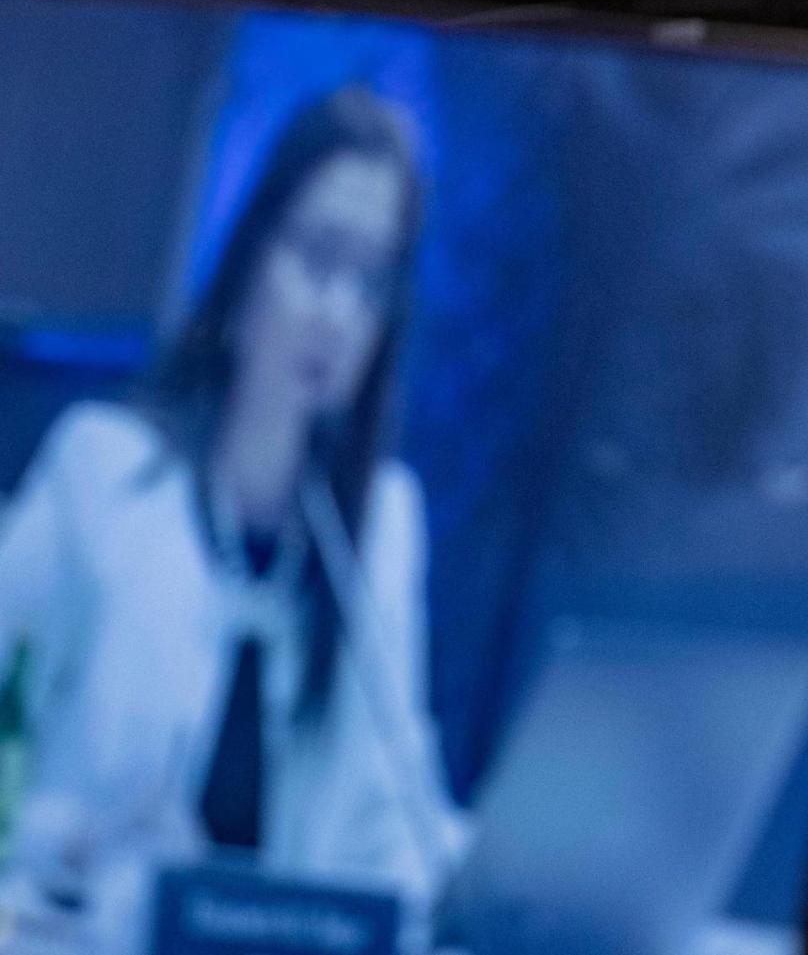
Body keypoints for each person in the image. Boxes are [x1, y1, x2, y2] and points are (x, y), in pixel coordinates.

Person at [0, 91, 462, 949]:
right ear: (250, 254)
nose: (337, 309)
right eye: (319, 257)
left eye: (371, 279)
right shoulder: (103, 473)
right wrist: (70, 842)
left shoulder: (382, 528)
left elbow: (399, 828)